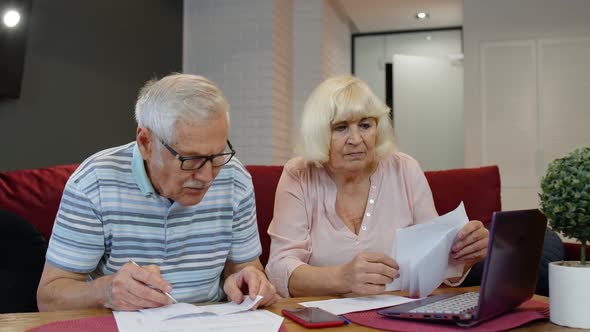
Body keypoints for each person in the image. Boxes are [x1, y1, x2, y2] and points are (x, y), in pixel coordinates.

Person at [37, 74, 277, 311]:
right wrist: (104, 291)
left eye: (216, 156)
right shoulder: (94, 182)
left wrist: (250, 281)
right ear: (145, 142)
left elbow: (245, 267)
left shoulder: (234, 178)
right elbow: (49, 297)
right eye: (191, 159)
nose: (207, 177)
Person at [265, 75, 489, 298]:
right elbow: (279, 268)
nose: (356, 139)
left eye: (365, 125)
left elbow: (433, 256)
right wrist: (341, 278)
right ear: (319, 132)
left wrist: (463, 253)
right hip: (324, 317)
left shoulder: (405, 169)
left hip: (398, 311)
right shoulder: (299, 174)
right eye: (341, 128)